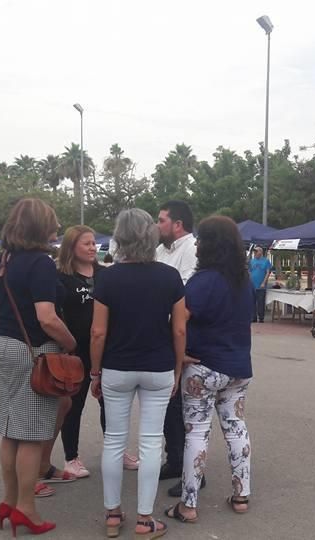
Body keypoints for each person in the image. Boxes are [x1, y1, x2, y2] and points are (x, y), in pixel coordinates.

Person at [90, 208, 186, 538]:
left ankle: (113, 514)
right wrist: (176, 369)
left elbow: (98, 332)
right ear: (150, 235)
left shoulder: (107, 277)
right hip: (158, 367)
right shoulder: (170, 277)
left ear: (119, 237)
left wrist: (94, 372)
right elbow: (179, 330)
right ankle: (146, 520)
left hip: (116, 367)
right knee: (150, 443)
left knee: (114, 441)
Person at [0, 198, 77, 536]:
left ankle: (9, 500)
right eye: (52, 223)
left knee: (10, 429)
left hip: (5, 346)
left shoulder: (2, 261)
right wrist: (70, 344)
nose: (56, 229)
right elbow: (47, 318)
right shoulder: (41, 263)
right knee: (34, 434)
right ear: (41, 227)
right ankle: (27, 508)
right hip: (34, 351)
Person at [165, 216, 254, 523]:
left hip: (203, 366)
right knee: (236, 427)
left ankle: (188, 505)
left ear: (210, 244)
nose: (198, 244)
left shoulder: (203, 281)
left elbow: (180, 320)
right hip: (238, 367)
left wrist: (179, 355)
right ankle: (241, 494)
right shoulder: (244, 282)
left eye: (201, 239)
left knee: (197, 433)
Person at [56, 226, 139, 480]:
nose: (93, 247)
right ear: (72, 247)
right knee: (74, 405)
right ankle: (71, 457)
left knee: (112, 404)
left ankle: (116, 450)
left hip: (107, 349)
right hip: (75, 351)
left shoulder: (105, 275)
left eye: (94, 243)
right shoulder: (61, 277)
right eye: (86, 244)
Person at [154, 200, 201, 497]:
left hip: (181, 334)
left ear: (178, 224)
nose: (157, 225)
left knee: (184, 407)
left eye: (161, 220)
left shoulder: (192, 250)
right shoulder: (160, 251)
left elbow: (186, 295)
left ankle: (192, 471)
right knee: (167, 405)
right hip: (159, 334)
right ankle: (175, 460)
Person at [248, 246, 272, 323]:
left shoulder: (266, 261)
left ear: (261, 252)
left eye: (257, 251)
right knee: (252, 302)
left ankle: (261, 318)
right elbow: (249, 271)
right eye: (254, 252)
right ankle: (253, 317)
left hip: (261, 285)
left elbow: (268, 272)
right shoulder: (252, 261)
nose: (255, 253)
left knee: (260, 302)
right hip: (252, 285)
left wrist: (264, 282)